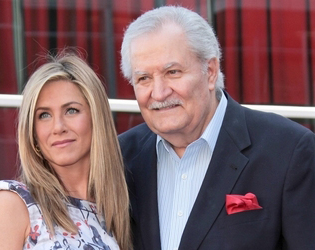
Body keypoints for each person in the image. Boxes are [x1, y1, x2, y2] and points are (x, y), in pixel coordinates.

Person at [118, 5, 315, 250]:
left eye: (173, 72)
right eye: (144, 78)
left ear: (210, 72)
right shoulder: (120, 157)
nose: (158, 92)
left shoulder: (289, 151)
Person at [0, 52, 131, 250]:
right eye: (44, 115)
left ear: (97, 119)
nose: (58, 127)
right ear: (33, 133)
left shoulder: (119, 212)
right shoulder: (13, 203)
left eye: (71, 110)